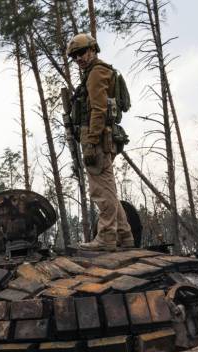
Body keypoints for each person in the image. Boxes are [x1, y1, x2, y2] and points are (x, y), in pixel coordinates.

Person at [67, 33, 134, 252]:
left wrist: (91, 142)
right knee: (108, 189)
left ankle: (106, 237)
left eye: (82, 52)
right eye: (74, 56)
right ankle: (124, 235)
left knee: (100, 191)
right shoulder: (98, 71)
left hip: (96, 137)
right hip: (101, 136)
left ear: (93, 50)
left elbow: (98, 109)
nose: (79, 58)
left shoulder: (96, 73)